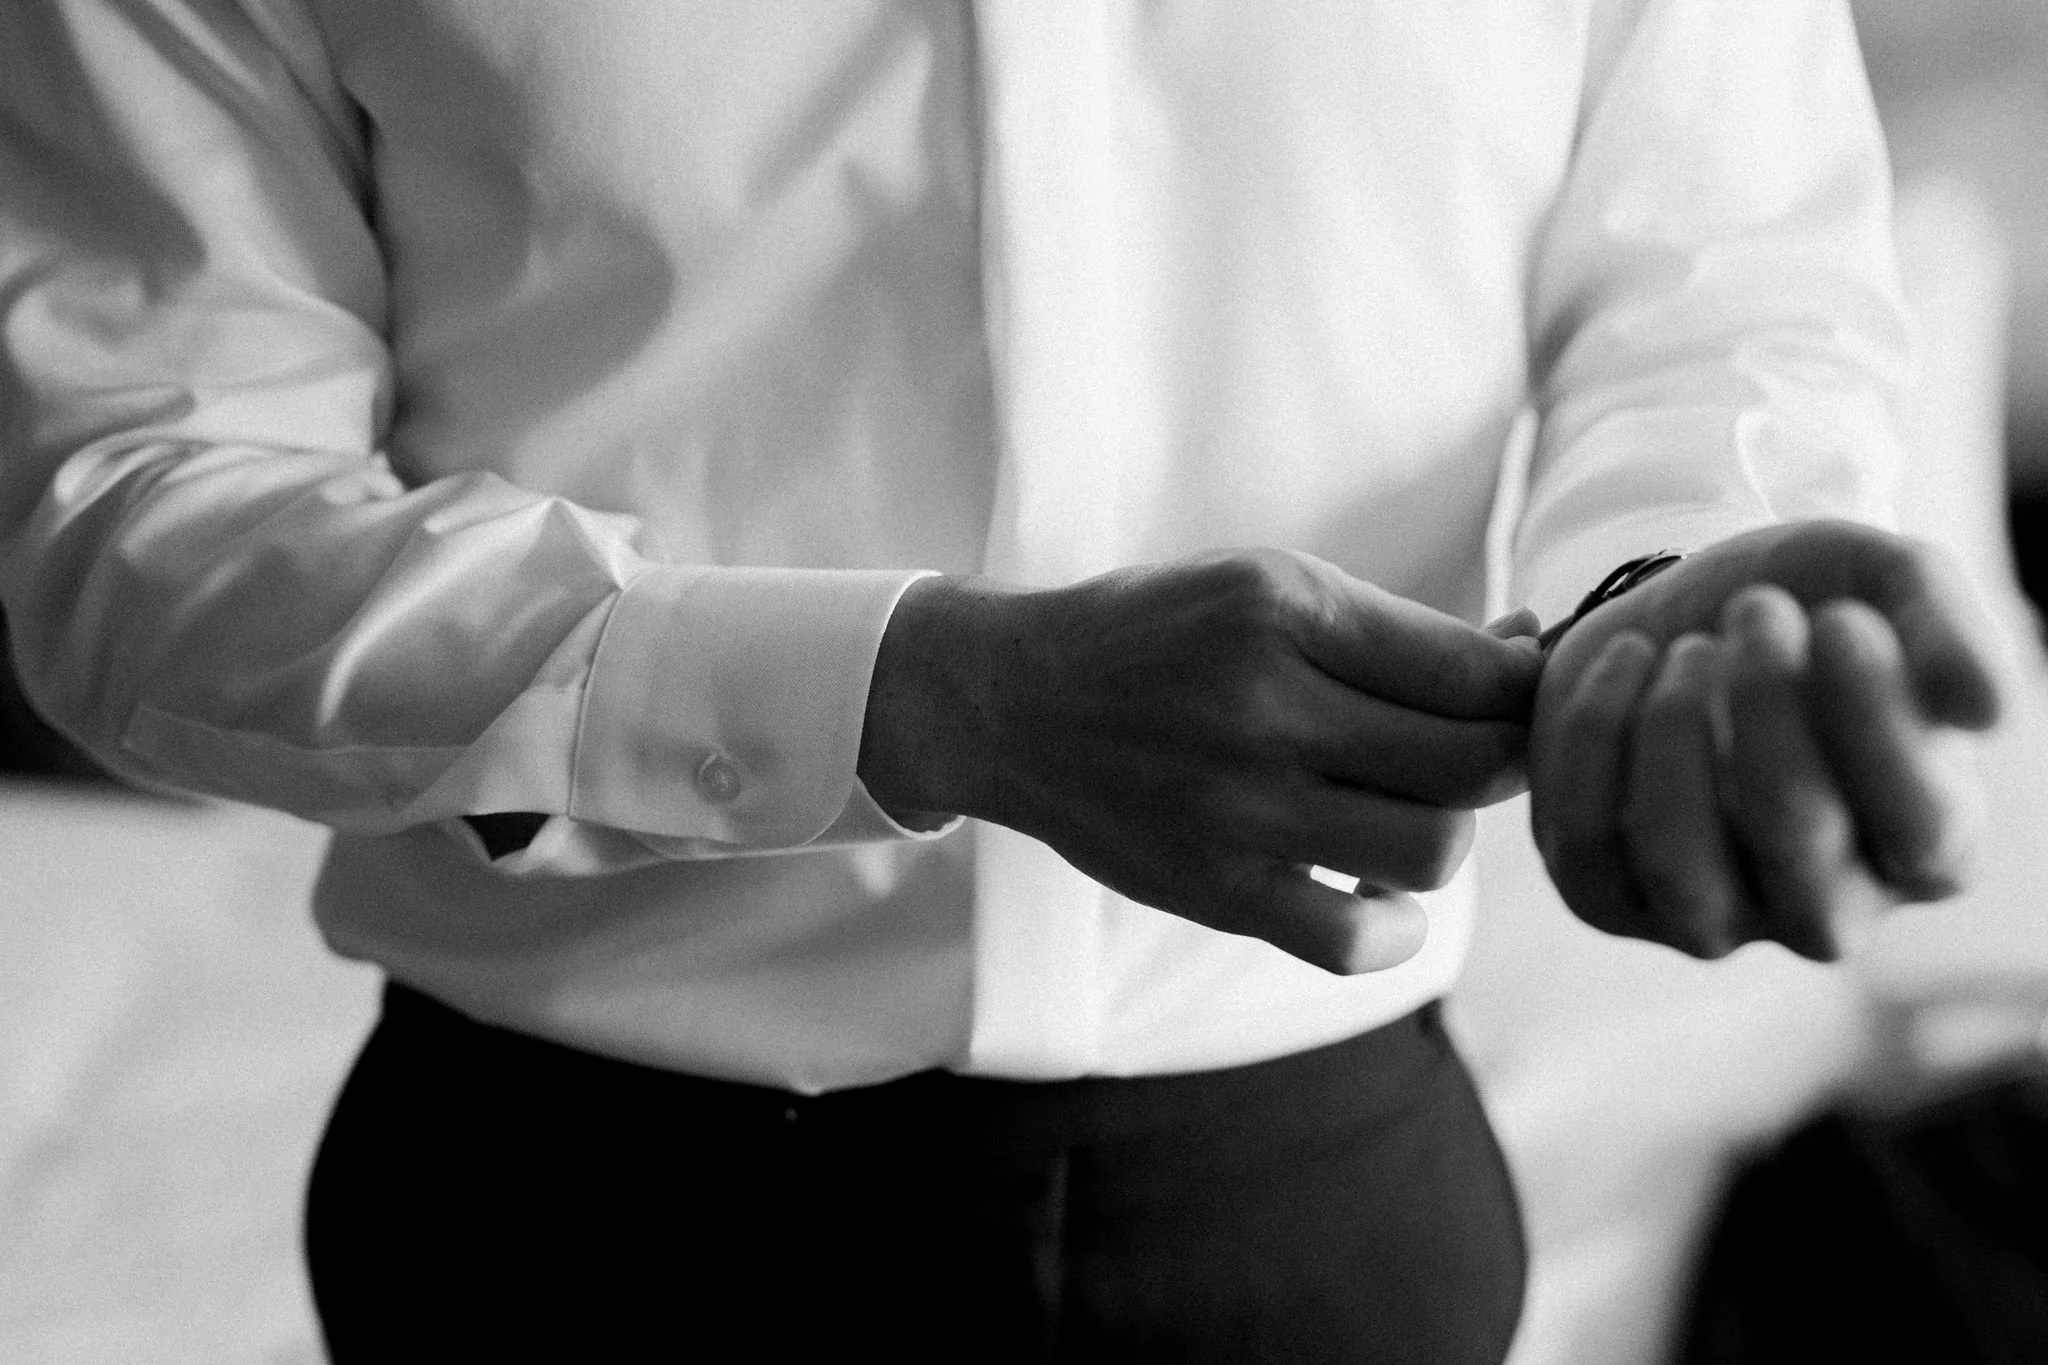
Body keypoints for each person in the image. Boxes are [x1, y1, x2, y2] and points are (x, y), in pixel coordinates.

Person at [0, 1, 2003, 1361]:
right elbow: (130, 515)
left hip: (1321, 1206)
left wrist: (1657, 593)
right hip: (557, 1226)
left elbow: (1720, 303)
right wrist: (928, 696)